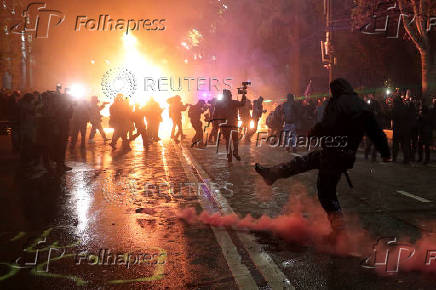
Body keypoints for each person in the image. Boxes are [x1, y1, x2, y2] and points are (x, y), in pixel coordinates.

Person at [255, 78, 391, 241]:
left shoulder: (337, 103)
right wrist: (385, 151)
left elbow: (327, 124)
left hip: (333, 153)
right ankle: (273, 174)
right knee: (305, 162)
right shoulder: (361, 105)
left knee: (326, 192)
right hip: (345, 153)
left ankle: (340, 234)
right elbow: (375, 131)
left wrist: (314, 132)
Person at [214, 89, 246, 162]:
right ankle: (235, 152)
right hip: (233, 124)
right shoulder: (233, 102)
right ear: (229, 95)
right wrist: (243, 95)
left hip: (224, 125)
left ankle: (229, 155)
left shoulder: (218, 103)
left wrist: (216, 124)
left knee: (228, 140)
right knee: (235, 139)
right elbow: (242, 103)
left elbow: (215, 114)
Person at [392, 94, 412, 164]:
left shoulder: (395, 108)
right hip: (405, 129)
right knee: (404, 144)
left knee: (395, 144)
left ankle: (394, 158)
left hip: (397, 128)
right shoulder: (405, 107)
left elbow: (392, 116)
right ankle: (406, 159)